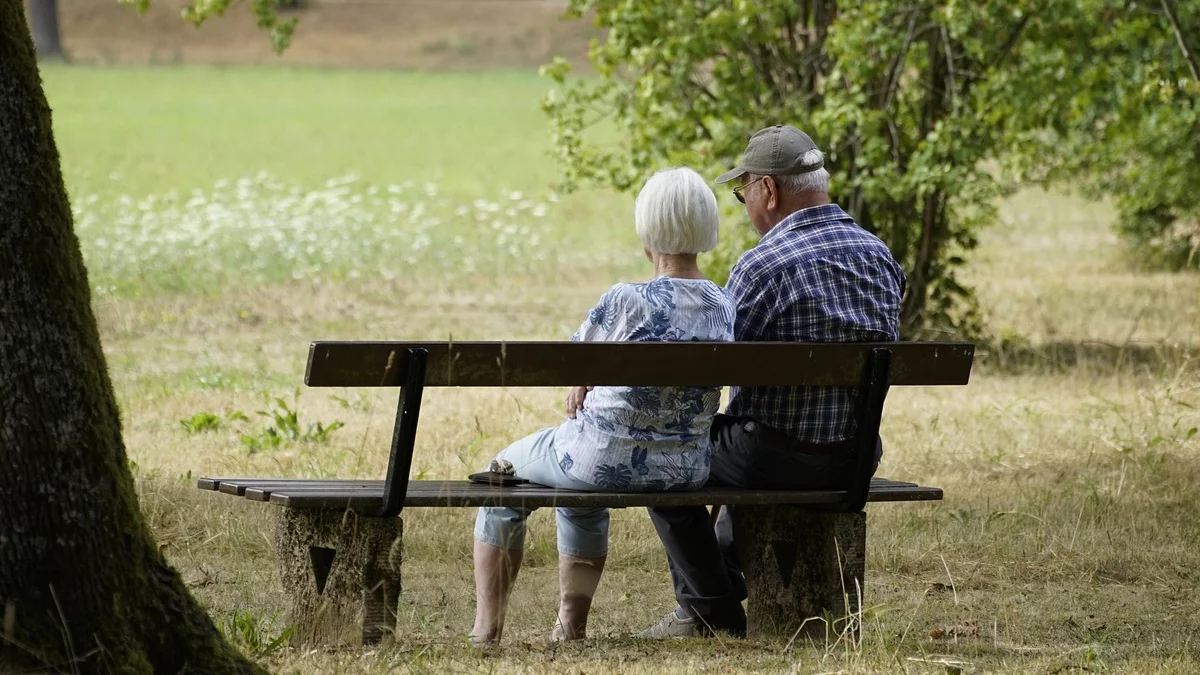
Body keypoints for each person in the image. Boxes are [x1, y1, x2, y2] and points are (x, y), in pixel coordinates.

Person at [635, 125, 906, 639]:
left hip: (774, 459)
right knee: (746, 436)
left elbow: (716, 370)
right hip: (854, 458)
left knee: (662, 450)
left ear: (769, 190)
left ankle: (710, 610)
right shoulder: (880, 257)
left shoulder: (762, 266)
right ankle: (716, 590)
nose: (744, 206)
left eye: (742, 194)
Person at [469, 167, 737, 645]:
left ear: (647, 231)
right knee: (577, 486)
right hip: (683, 469)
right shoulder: (724, 304)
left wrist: (582, 379)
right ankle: (570, 627)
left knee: (502, 474)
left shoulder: (626, 300)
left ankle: (486, 630)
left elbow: (571, 361)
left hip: (599, 461)